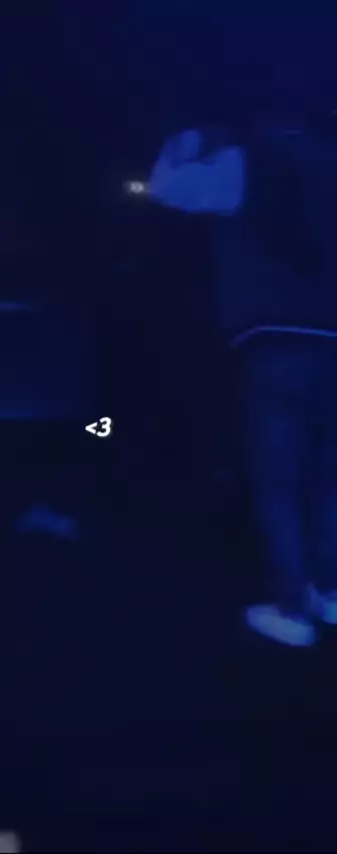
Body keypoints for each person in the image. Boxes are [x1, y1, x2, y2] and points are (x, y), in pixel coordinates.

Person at [147, 105, 337, 648]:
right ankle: (331, 589)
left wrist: (191, 137)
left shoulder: (249, 160)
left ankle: (292, 603)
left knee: (280, 478)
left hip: (276, 338)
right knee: (330, 475)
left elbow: (166, 187)